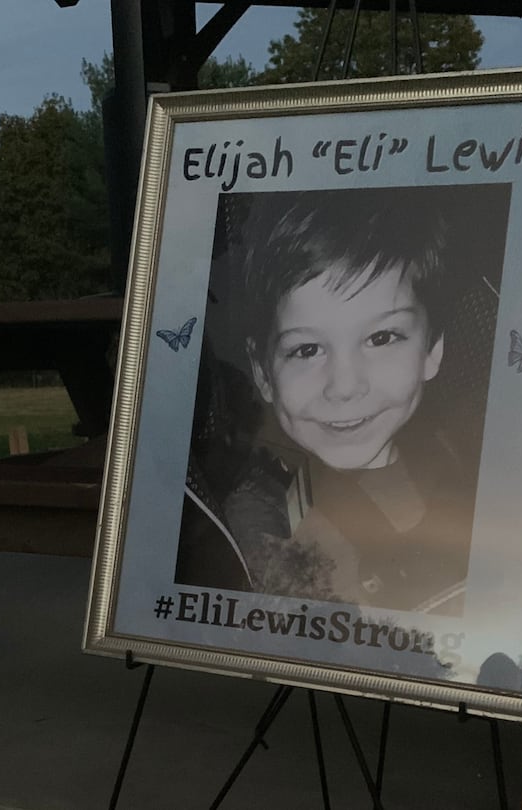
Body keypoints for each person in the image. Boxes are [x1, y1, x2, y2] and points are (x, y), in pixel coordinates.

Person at [178, 187, 492, 615]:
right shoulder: (261, 517)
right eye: (306, 349)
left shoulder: (469, 459)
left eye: (381, 338)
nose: (344, 387)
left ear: (432, 349)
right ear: (263, 371)